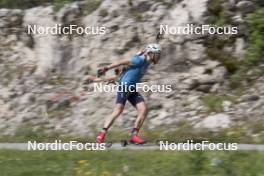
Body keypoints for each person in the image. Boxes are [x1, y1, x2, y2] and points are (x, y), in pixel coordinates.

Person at [96, 43, 162, 144]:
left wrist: (116, 77)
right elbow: (121, 62)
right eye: (157, 54)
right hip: (124, 86)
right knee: (118, 110)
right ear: (151, 53)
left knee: (143, 109)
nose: (158, 57)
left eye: (159, 55)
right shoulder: (139, 60)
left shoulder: (147, 61)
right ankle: (101, 135)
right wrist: (106, 68)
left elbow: (127, 68)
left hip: (131, 88)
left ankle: (134, 135)